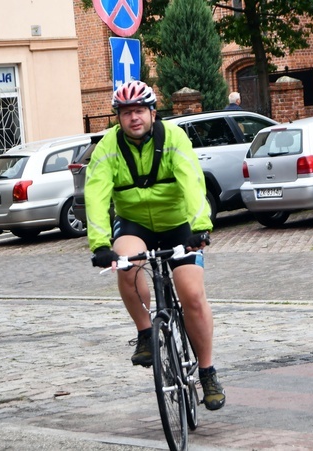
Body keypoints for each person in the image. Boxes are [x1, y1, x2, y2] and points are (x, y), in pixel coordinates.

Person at [86, 80, 225, 411]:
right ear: (118, 118)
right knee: (125, 262)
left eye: (139, 111)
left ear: (152, 112)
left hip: (180, 225)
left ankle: (207, 372)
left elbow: (192, 181)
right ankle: (146, 332)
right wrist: (100, 244)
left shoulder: (174, 138)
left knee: (191, 295)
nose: (133, 118)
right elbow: (96, 193)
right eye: (125, 113)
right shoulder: (108, 147)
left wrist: (200, 228)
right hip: (135, 223)